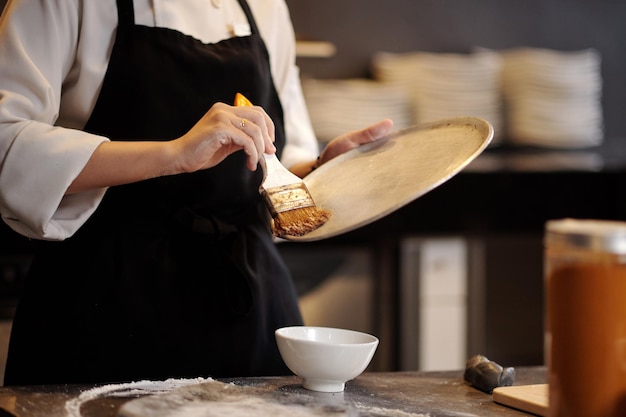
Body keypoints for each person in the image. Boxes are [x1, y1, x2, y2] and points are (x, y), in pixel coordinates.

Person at [0, 0, 393, 386]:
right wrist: (174, 154)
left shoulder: (265, 6)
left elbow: (281, 159)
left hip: (246, 303)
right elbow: (6, 141)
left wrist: (325, 167)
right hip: (105, 302)